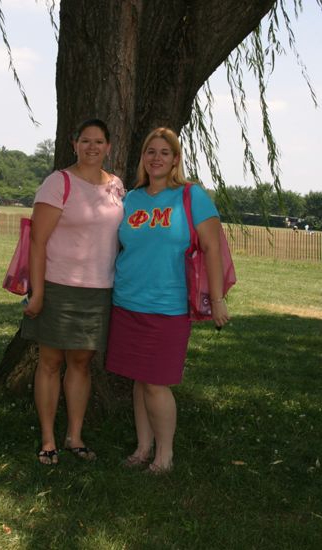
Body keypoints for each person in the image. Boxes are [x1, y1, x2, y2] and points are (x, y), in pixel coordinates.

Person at [105, 127, 229, 473]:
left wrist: (217, 299)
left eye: (164, 152)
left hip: (169, 307)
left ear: (175, 159)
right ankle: (143, 448)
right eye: (150, 151)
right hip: (128, 301)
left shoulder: (191, 196)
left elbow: (212, 249)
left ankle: (165, 455)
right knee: (138, 379)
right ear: (143, 157)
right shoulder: (131, 199)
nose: (156, 158)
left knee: (157, 382)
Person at [21, 119, 125, 465]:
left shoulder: (116, 188)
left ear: (109, 147)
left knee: (81, 363)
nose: (92, 147)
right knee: (50, 363)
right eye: (85, 141)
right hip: (58, 287)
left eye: (99, 142)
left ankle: (74, 436)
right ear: (74, 144)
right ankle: (48, 439)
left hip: (98, 290)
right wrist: (37, 293)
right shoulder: (58, 183)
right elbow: (37, 242)